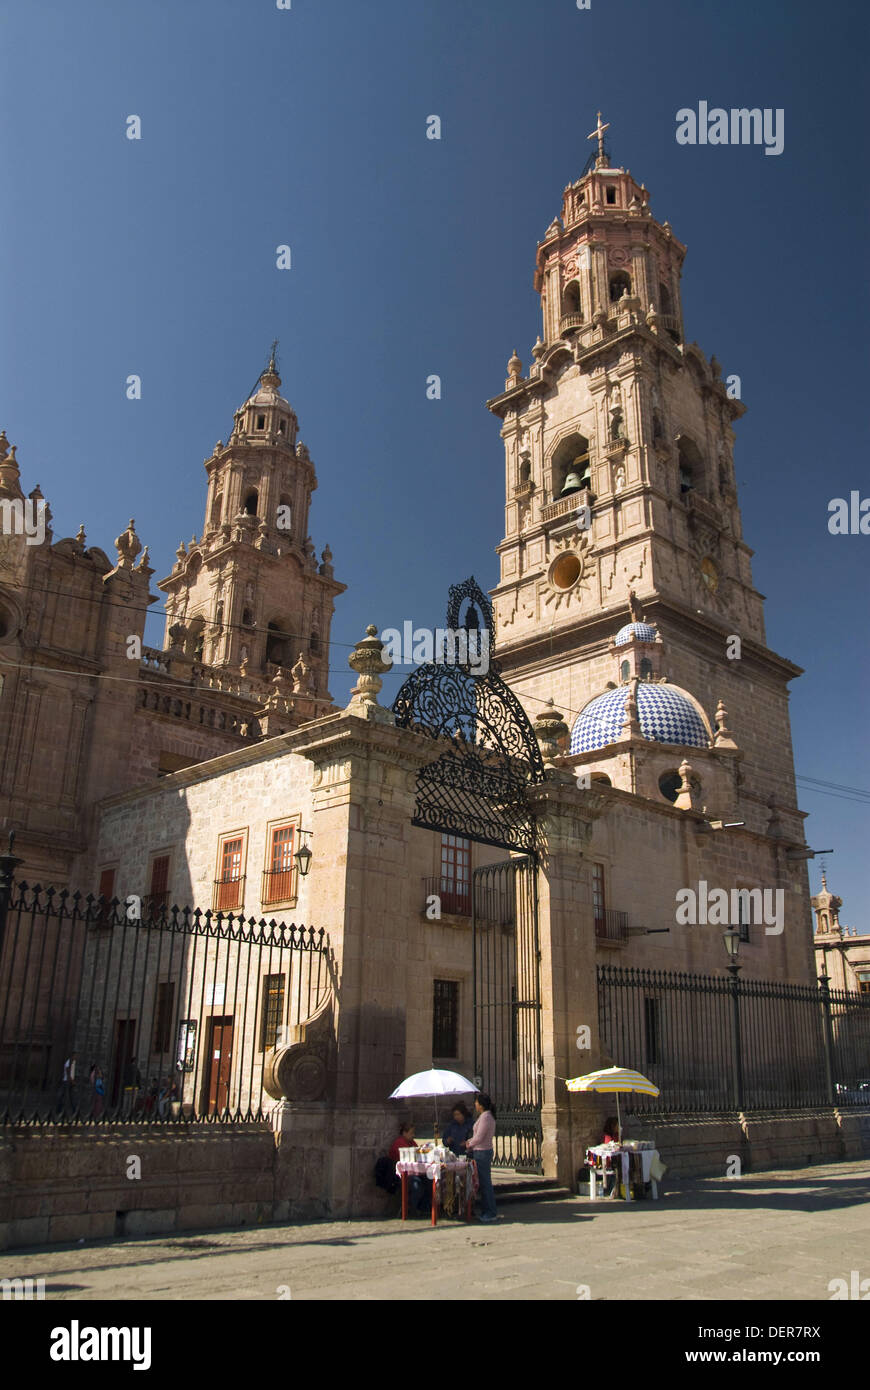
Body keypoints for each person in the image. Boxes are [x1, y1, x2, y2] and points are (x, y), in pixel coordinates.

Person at [464, 1093, 498, 1223]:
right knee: (484, 1183)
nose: (475, 1104)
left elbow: (480, 1137)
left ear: (481, 1104)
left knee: (485, 1184)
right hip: (481, 1151)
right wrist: (471, 1141)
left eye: (477, 1102)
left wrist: (469, 1143)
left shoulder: (486, 1117)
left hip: (482, 1152)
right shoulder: (485, 1116)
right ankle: (487, 1211)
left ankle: (490, 1212)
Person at [388, 1122, 432, 1216]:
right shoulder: (399, 1143)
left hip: (416, 1172)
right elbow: (407, 1158)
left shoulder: (412, 1142)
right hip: (403, 1174)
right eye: (411, 1133)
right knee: (416, 1184)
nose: (413, 1135)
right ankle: (411, 1208)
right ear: (404, 1133)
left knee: (430, 1180)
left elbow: (418, 1153)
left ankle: (424, 1208)